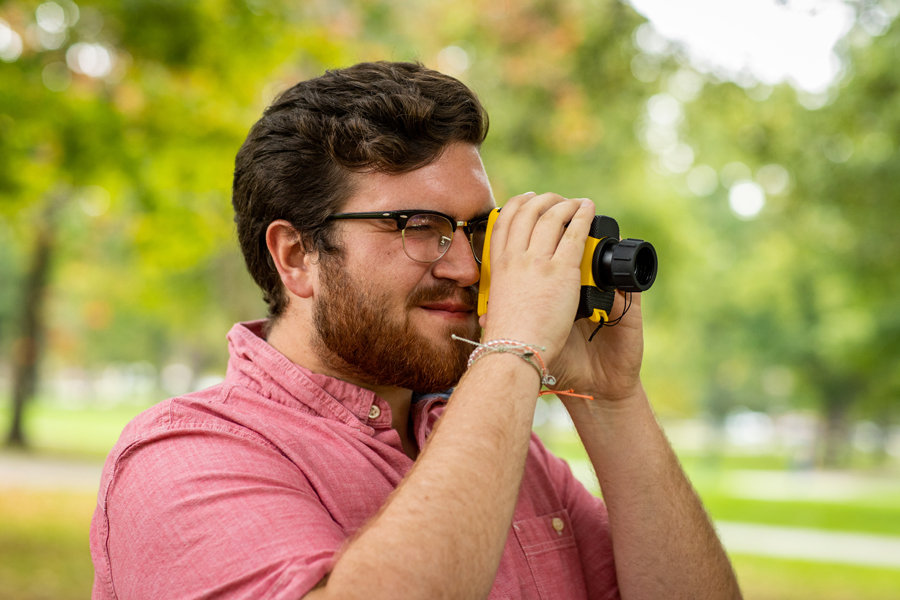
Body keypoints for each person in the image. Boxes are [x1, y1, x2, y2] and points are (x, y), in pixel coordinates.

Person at [90, 61, 741, 600]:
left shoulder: (502, 447)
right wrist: (511, 349)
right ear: (297, 256)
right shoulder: (183, 458)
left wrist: (611, 400)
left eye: (478, 231)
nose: (468, 268)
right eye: (419, 227)